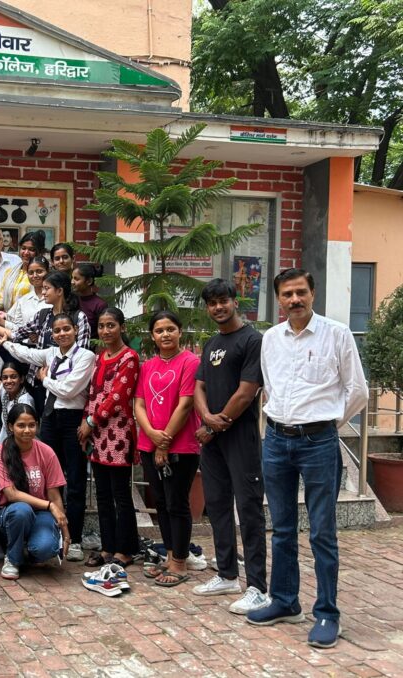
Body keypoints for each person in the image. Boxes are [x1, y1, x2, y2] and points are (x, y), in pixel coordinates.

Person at [247, 268, 368, 650]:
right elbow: (270, 386)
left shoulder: (337, 334)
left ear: (313, 293)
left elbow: (357, 390)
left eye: (300, 292)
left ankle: (327, 613)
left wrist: (327, 423)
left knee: (321, 532)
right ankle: (285, 602)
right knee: (282, 528)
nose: (295, 299)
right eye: (287, 294)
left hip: (319, 442)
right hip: (276, 441)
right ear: (278, 300)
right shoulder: (270, 339)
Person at [192, 279, 269, 614]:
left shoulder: (253, 340)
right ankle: (226, 574)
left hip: (240, 437)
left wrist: (214, 423)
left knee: (249, 509)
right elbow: (199, 386)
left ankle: (257, 587)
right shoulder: (212, 343)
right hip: (213, 439)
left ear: (235, 302)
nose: (218, 308)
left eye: (223, 301)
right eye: (212, 303)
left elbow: (247, 391)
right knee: (217, 505)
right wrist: (207, 418)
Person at [0, 313, 95, 562]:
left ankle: (74, 538)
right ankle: (51, 528)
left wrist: (45, 379)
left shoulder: (85, 356)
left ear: (76, 330)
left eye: (66, 329)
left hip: (72, 419)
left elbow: (69, 390)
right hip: (51, 418)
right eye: (57, 330)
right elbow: (26, 354)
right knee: (50, 477)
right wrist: (4, 342)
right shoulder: (51, 353)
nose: (62, 334)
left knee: (75, 479)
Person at [133, 311, 201, 587]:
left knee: (176, 502)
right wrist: (151, 434)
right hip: (149, 443)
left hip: (181, 446)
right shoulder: (148, 366)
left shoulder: (190, 362)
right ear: (152, 335)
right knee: (160, 502)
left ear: (180, 331)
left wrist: (164, 441)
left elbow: (186, 404)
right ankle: (170, 555)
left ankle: (180, 562)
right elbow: (139, 403)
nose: (165, 334)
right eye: (159, 330)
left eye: (170, 329)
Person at [78, 308, 140, 568]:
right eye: (102, 326)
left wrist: (91, 422)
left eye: (111, 325)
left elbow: (118, 396)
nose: (105, 331)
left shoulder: (129, 357)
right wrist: (85, 421)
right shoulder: (99, 357)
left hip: (118, 432)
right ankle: (107, 547)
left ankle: (125, 549)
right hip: (96, 432)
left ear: (122, 327)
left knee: (120, 493)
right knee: (102, 493)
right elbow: (93, 393)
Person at [0, 271, 91, 413]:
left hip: (67, 384)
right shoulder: (42, 315)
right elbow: (16, 334)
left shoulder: (78, 317)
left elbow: (81, 353)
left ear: (59, 291)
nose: (43, 293)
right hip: (39, 380)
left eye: (47, 288)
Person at [0, 404, 70, 580]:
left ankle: (28, 548)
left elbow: (54, 494)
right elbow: (11, 494)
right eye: (21, 425)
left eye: (32, 425)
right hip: (11, 513)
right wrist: (50, 506)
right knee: (22, 510)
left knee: (45, 549)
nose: (27, 430)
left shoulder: (46, 452)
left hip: (41, 514)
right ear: (10, 427)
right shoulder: (0, 451)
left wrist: (65, 533)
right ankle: (12, 559)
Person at [0, 231, 46, 313]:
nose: (26, 253)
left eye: (31, 249)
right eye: (23, 248)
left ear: (40, 252)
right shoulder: (9, 273)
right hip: (5, 319)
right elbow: (0, 302)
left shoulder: (43, 276)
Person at [71, 263, 108, 339]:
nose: (72, 282)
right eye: (72, 278)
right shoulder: (71, 299)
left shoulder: (99, 305)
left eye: (76, 279)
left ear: (89, 281)